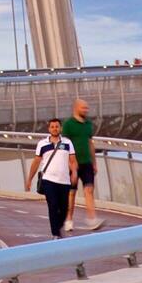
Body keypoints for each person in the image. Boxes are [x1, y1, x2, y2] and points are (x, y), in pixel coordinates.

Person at [26, 119, 77, 238]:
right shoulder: (42, 144)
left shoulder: (67, 143)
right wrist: (29, 179)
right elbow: (36, 162)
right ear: (49, 129)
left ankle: (58, 227)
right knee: (53, 205)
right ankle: (55, 233)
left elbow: (73, 160)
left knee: (64, 208)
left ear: (60, 128)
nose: (55, 129)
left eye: (57, 126)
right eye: (52, 127)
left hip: (64, 181)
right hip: (48, 180)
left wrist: (74, 172)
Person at [61, 99, 102, 231]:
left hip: (87, 163)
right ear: (76, 108)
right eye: (83, 108)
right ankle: (68, 219)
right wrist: (70, 164)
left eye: (86, 108)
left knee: (89, 190)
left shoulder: (88, 124)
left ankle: (92, 219)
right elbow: (64, 146)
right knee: (71, 193)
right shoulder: (68, 124)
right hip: (73, 164)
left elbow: (90, 143)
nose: (86, 110)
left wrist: (94, 163)